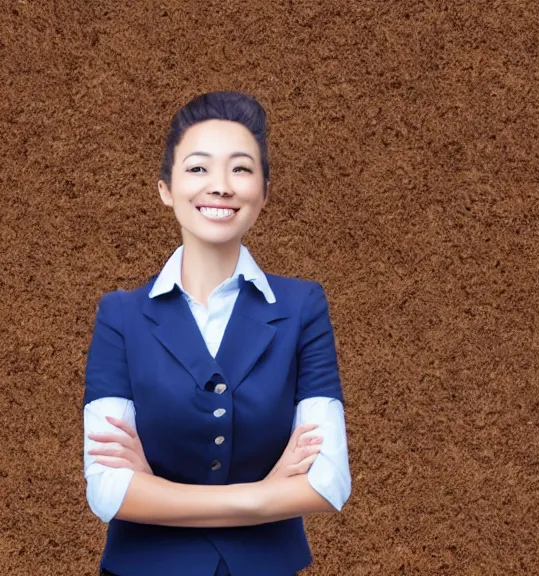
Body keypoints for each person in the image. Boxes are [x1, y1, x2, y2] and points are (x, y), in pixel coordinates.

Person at [82, 91, 351, 576]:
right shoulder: (120, 315)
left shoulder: (302, 307)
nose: (221, 186)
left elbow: (327, 483)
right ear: (166, 187)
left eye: (242, 169)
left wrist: (156, 491)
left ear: (264, 191)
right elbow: (107, 491)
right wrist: (265, 495)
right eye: (199, 168)